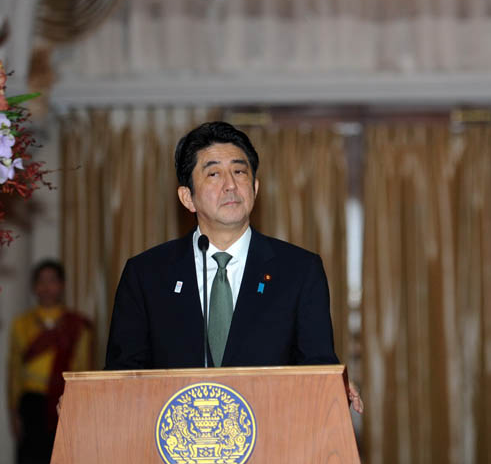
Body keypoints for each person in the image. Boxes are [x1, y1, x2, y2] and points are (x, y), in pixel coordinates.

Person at [105, 121, 362, 412]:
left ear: (254, 187)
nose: (230, 184)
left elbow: (317, 363)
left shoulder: (300, 270)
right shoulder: (146, 274)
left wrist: (331, 384)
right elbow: (121, 377)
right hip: (172, 445)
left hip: (273, 439)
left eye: (239, 172)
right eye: (213, 173)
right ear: (187, 197)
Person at [8, 260, 93, 464]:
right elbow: (13, 370)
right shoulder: (21, 324)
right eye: (41, 282)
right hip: (31, 404)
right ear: (34, 287)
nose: (47, 287)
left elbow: (83, 370)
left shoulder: (78, 324)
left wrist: (80, 410)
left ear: (62, 285)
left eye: (52, 280)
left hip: (63, 405)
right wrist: (13, 411)